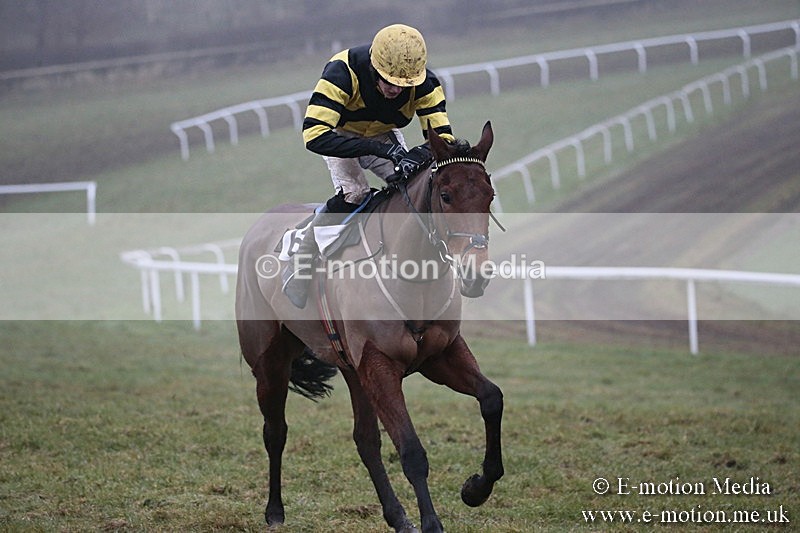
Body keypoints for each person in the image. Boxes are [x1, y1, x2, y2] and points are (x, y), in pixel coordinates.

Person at [282, 23, 456, 308]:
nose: (396, 90)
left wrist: (417, 155)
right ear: (375, 69)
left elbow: (443, 139)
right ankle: (304, 250)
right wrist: (377, 148)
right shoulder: (342, 71)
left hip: (382, 134)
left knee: (413, 186)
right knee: (355, 194)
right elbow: (314, 135)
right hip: (337, 135)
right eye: (390, 82)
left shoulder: (426, 84)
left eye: (404, 85)